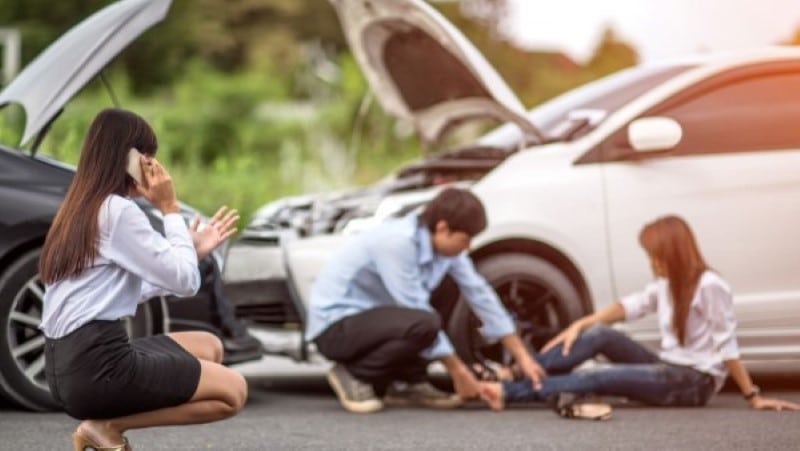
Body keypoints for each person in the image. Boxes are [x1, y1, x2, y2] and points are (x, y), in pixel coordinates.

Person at [40, 109, 248, 450]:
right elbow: (186, 283)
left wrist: (192, 252)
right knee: (233, 391)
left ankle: (103, 424)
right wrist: (170, 209)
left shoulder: (81, 207)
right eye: (146, 155)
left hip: (67, 365)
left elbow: (123, 290)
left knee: (209, 345)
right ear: (127, 158)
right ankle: (106, 426)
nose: (153, 165)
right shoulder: (117, 211)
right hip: (97, 368)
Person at [479, 215, 800, 417]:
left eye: (655, 256)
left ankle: (506, 392)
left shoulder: (709, 286)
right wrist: (581, 324)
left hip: (693, 383)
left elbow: (727, 346)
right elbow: (627, 307)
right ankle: (513, 373)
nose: (652, 263)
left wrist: (753, 396)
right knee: (601, 335)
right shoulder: (667, 284)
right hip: (669, 366)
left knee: (599, 376)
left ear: (673, 254)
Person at [305, 187, 546, 413]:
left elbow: (480, 293)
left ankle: (407, 382)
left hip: (374, 321)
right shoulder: (396, 242)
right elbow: (414, 306)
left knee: (447, 292)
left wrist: (523, 357)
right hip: (336, 327)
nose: (468, 247)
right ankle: (354, 374)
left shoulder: (445, 252)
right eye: (465, 239)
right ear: (443, 228)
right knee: (424, 322)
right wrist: (459, 372)